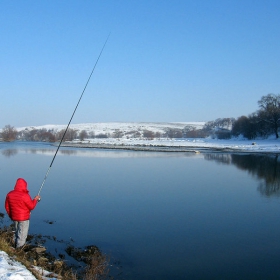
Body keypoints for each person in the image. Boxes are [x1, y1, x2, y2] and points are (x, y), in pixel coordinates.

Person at [5, 178, 40, 248]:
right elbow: (31, 206)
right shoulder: (25, 196)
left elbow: (7, 207)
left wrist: (11, 215)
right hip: (24, 219)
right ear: (24, 186)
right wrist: (35, 199)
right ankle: (19, 250)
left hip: (14, 217)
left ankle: (14, 245)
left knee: (16, 232)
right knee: (22, 235)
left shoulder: (10, 194)